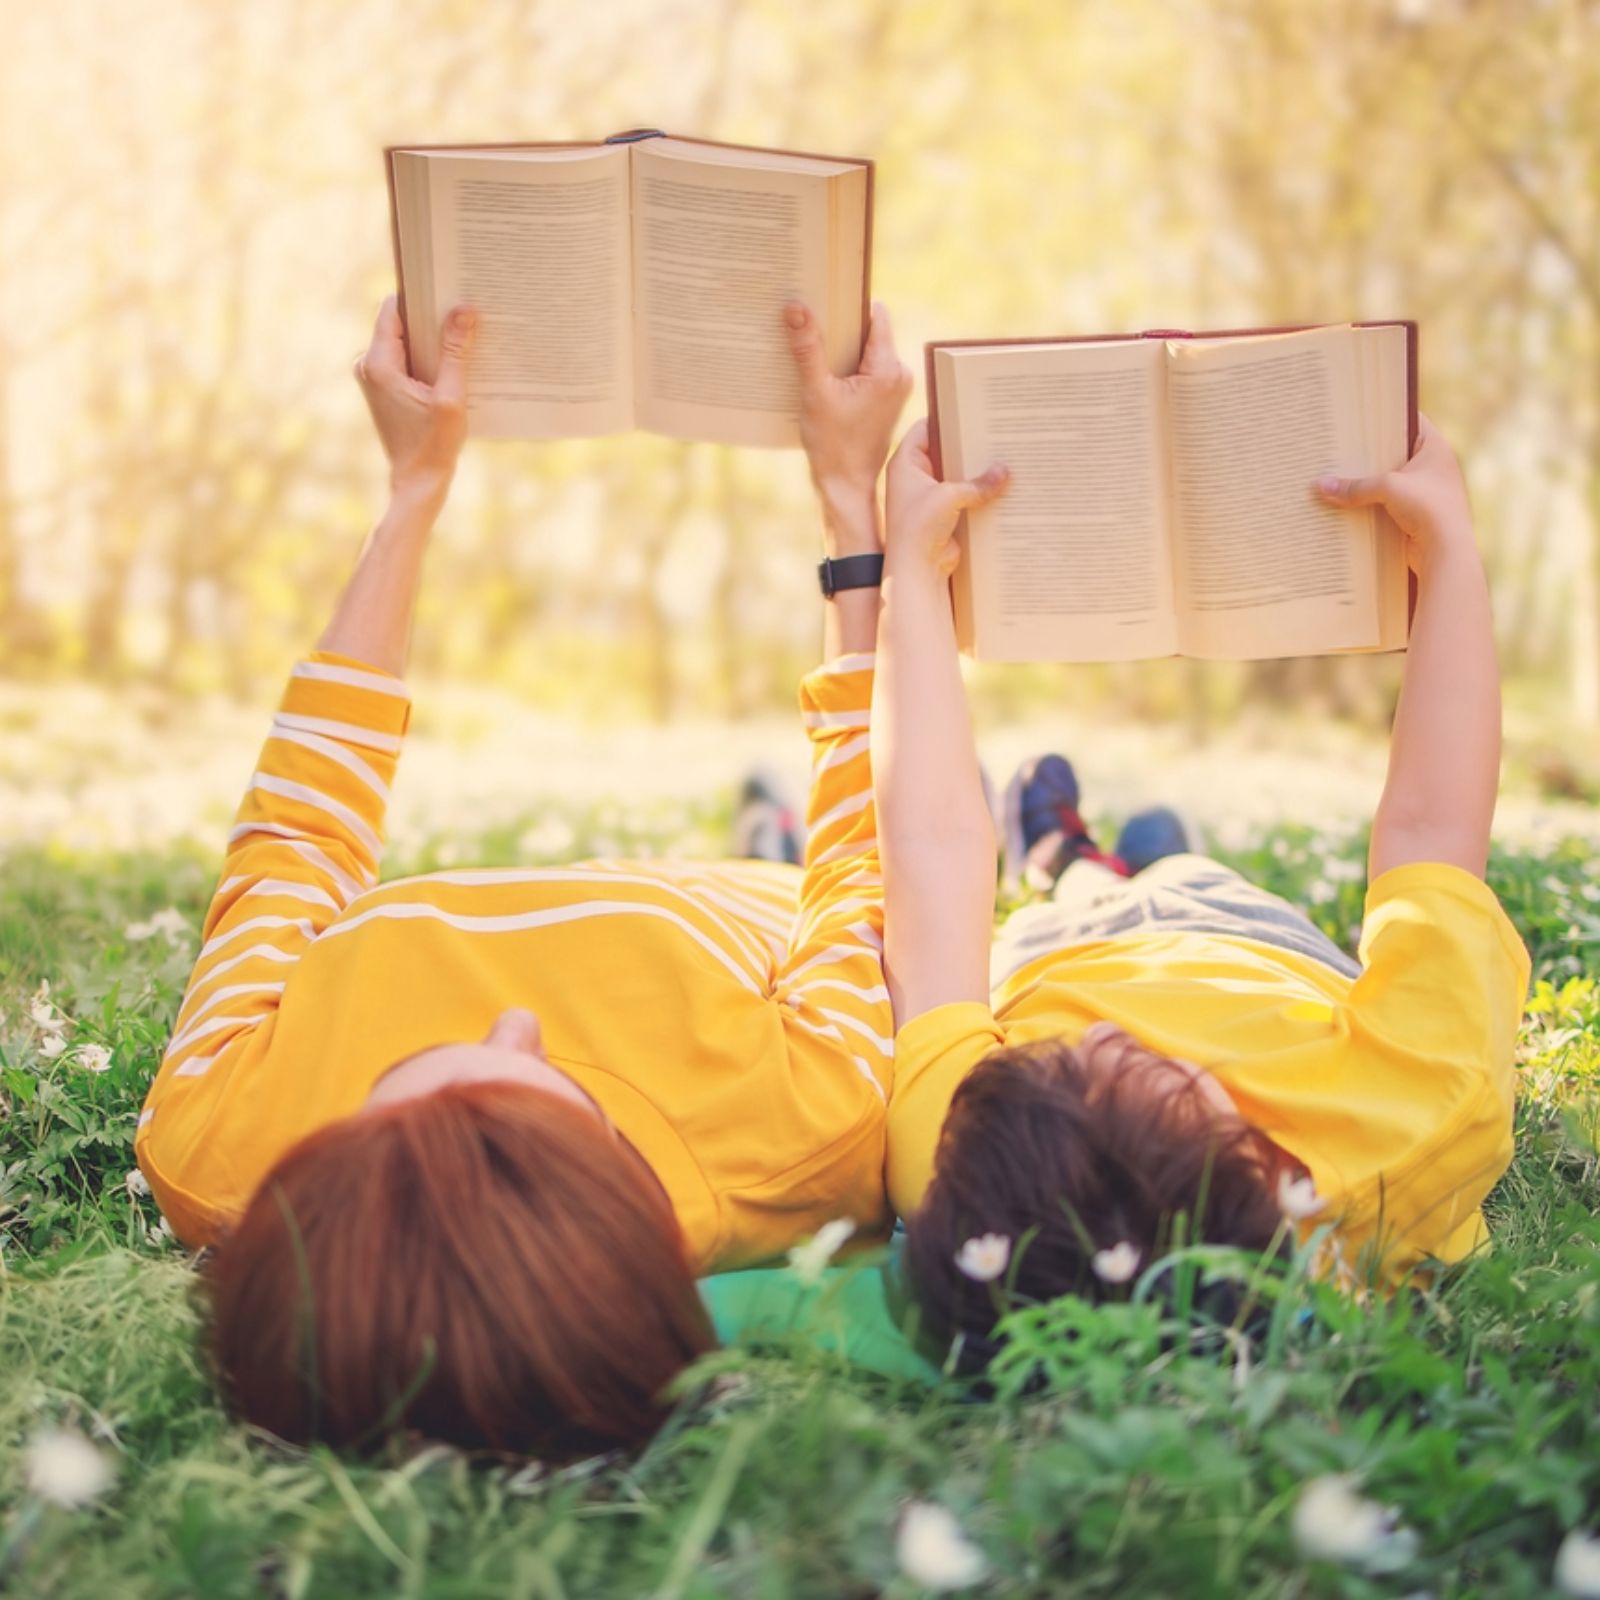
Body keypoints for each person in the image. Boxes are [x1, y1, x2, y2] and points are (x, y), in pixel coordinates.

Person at [134, 293, 913, 1458]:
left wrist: (412, 491)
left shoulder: (215, 1141)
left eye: (408, 1080)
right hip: (757, 920)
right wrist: (851, 500)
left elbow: (297, 840)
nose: (516, 1017)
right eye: (568, 1097)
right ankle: (793, 834)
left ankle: (757, 823)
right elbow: (866, 857)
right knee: (814, 854)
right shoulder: (809, 1133)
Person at [872, 414, 1531, 1368]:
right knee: (1190, 873)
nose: (1109, 1029)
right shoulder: (1423, 1115)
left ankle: (1071, 864)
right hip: (1250, 951)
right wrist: (1450, 556)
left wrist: (912, 580)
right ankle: (1135, 860)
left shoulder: (964, 1166)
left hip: (1055, 959)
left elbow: (930, 845)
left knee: (1070, 914)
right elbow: (1433, 827)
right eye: (1142, 1066)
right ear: (1257, 1159)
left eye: (1060, 1057)